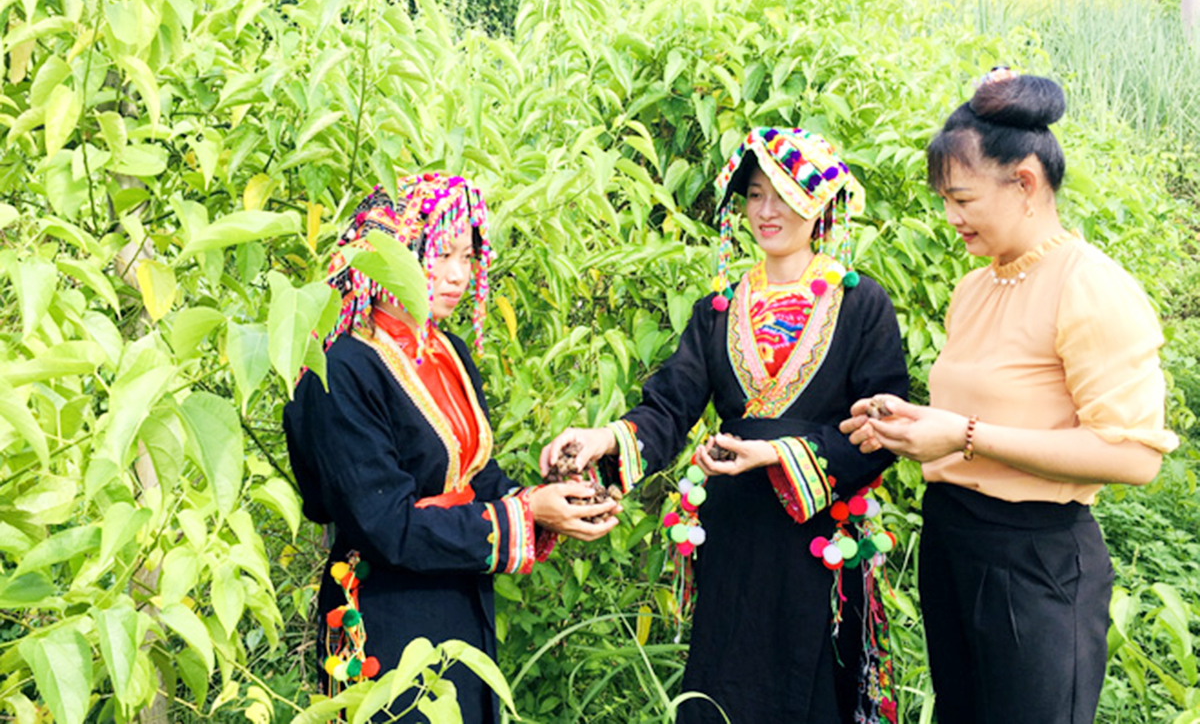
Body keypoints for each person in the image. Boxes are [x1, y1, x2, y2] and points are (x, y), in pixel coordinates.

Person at [840, 69, 1179, 724]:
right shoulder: (974, 289)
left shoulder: (1090, 286)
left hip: (1035, 561)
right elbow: (985, 410)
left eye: (962, 198)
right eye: (944, 199)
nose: (950, 217)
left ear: (1024, 181)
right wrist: (912, 423)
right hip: (954, 543)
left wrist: (964, 436)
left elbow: (1134, 457)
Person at [543, 128, 909, 723]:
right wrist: (605, 438)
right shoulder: (718, 311)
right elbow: (669, 406)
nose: (767, 211)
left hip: (817, 542)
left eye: (785, 195)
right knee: (726, 692)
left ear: (817, 204)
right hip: (734, 536)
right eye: (755, 195)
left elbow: (881, 427)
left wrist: (780, 454)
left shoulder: (862, 304)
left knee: (814, 696)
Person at [284, 174, 619, 722]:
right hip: (384, 613)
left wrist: (546, 502)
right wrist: (522, 515)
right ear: (389, 256)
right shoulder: (341, 366)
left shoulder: (447, 351)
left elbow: (473, 476)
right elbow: (384, 524)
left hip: (460, 600)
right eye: (439, 254)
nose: (459, 275)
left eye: (467, 255)